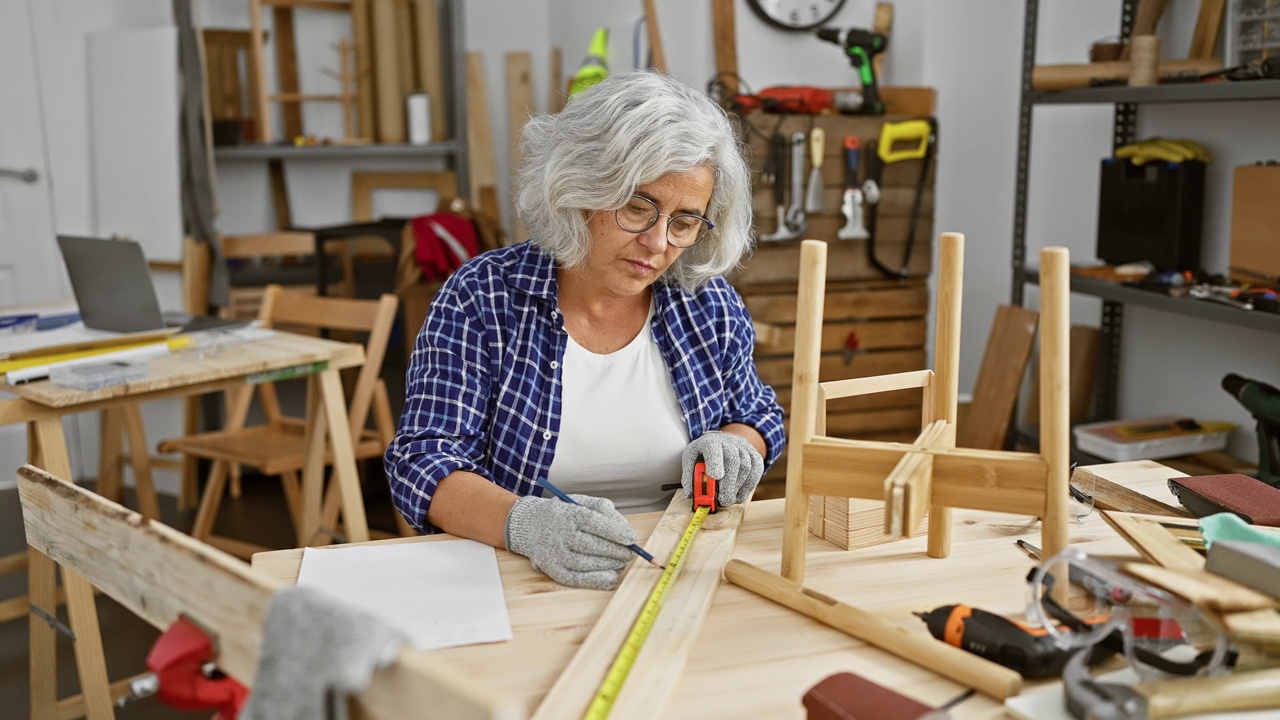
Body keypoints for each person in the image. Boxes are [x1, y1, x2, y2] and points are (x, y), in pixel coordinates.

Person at [385, 70, 785, 590]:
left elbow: (756, 414)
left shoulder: (705, 304)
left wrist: (738, 444)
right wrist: (524, 524)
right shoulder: (482, 297)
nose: (659, 243)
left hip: (676, 574)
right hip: (519, 576)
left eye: (685, 221)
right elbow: (423, 460)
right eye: (639, 207)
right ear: (581, 188)